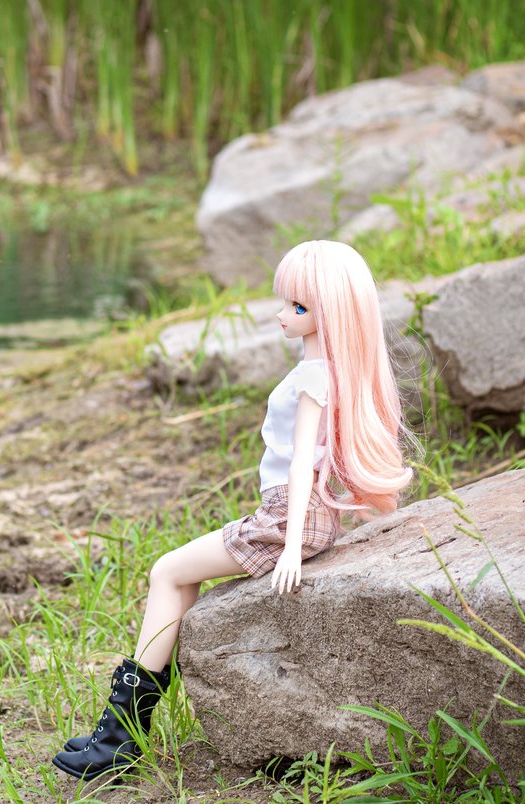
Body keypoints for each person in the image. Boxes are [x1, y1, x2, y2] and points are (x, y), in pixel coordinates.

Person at [52, 240, 414, 781]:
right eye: (284, 302)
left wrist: (291, 545)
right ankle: (118, 735)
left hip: (289, 517)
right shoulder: (327, 369)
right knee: (177, 575)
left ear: (330, 311)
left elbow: (302, 464)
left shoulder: (315, 376)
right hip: (295, 515)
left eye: (297, 306)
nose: (281, 314)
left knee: (167, 571)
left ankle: (118, 738)